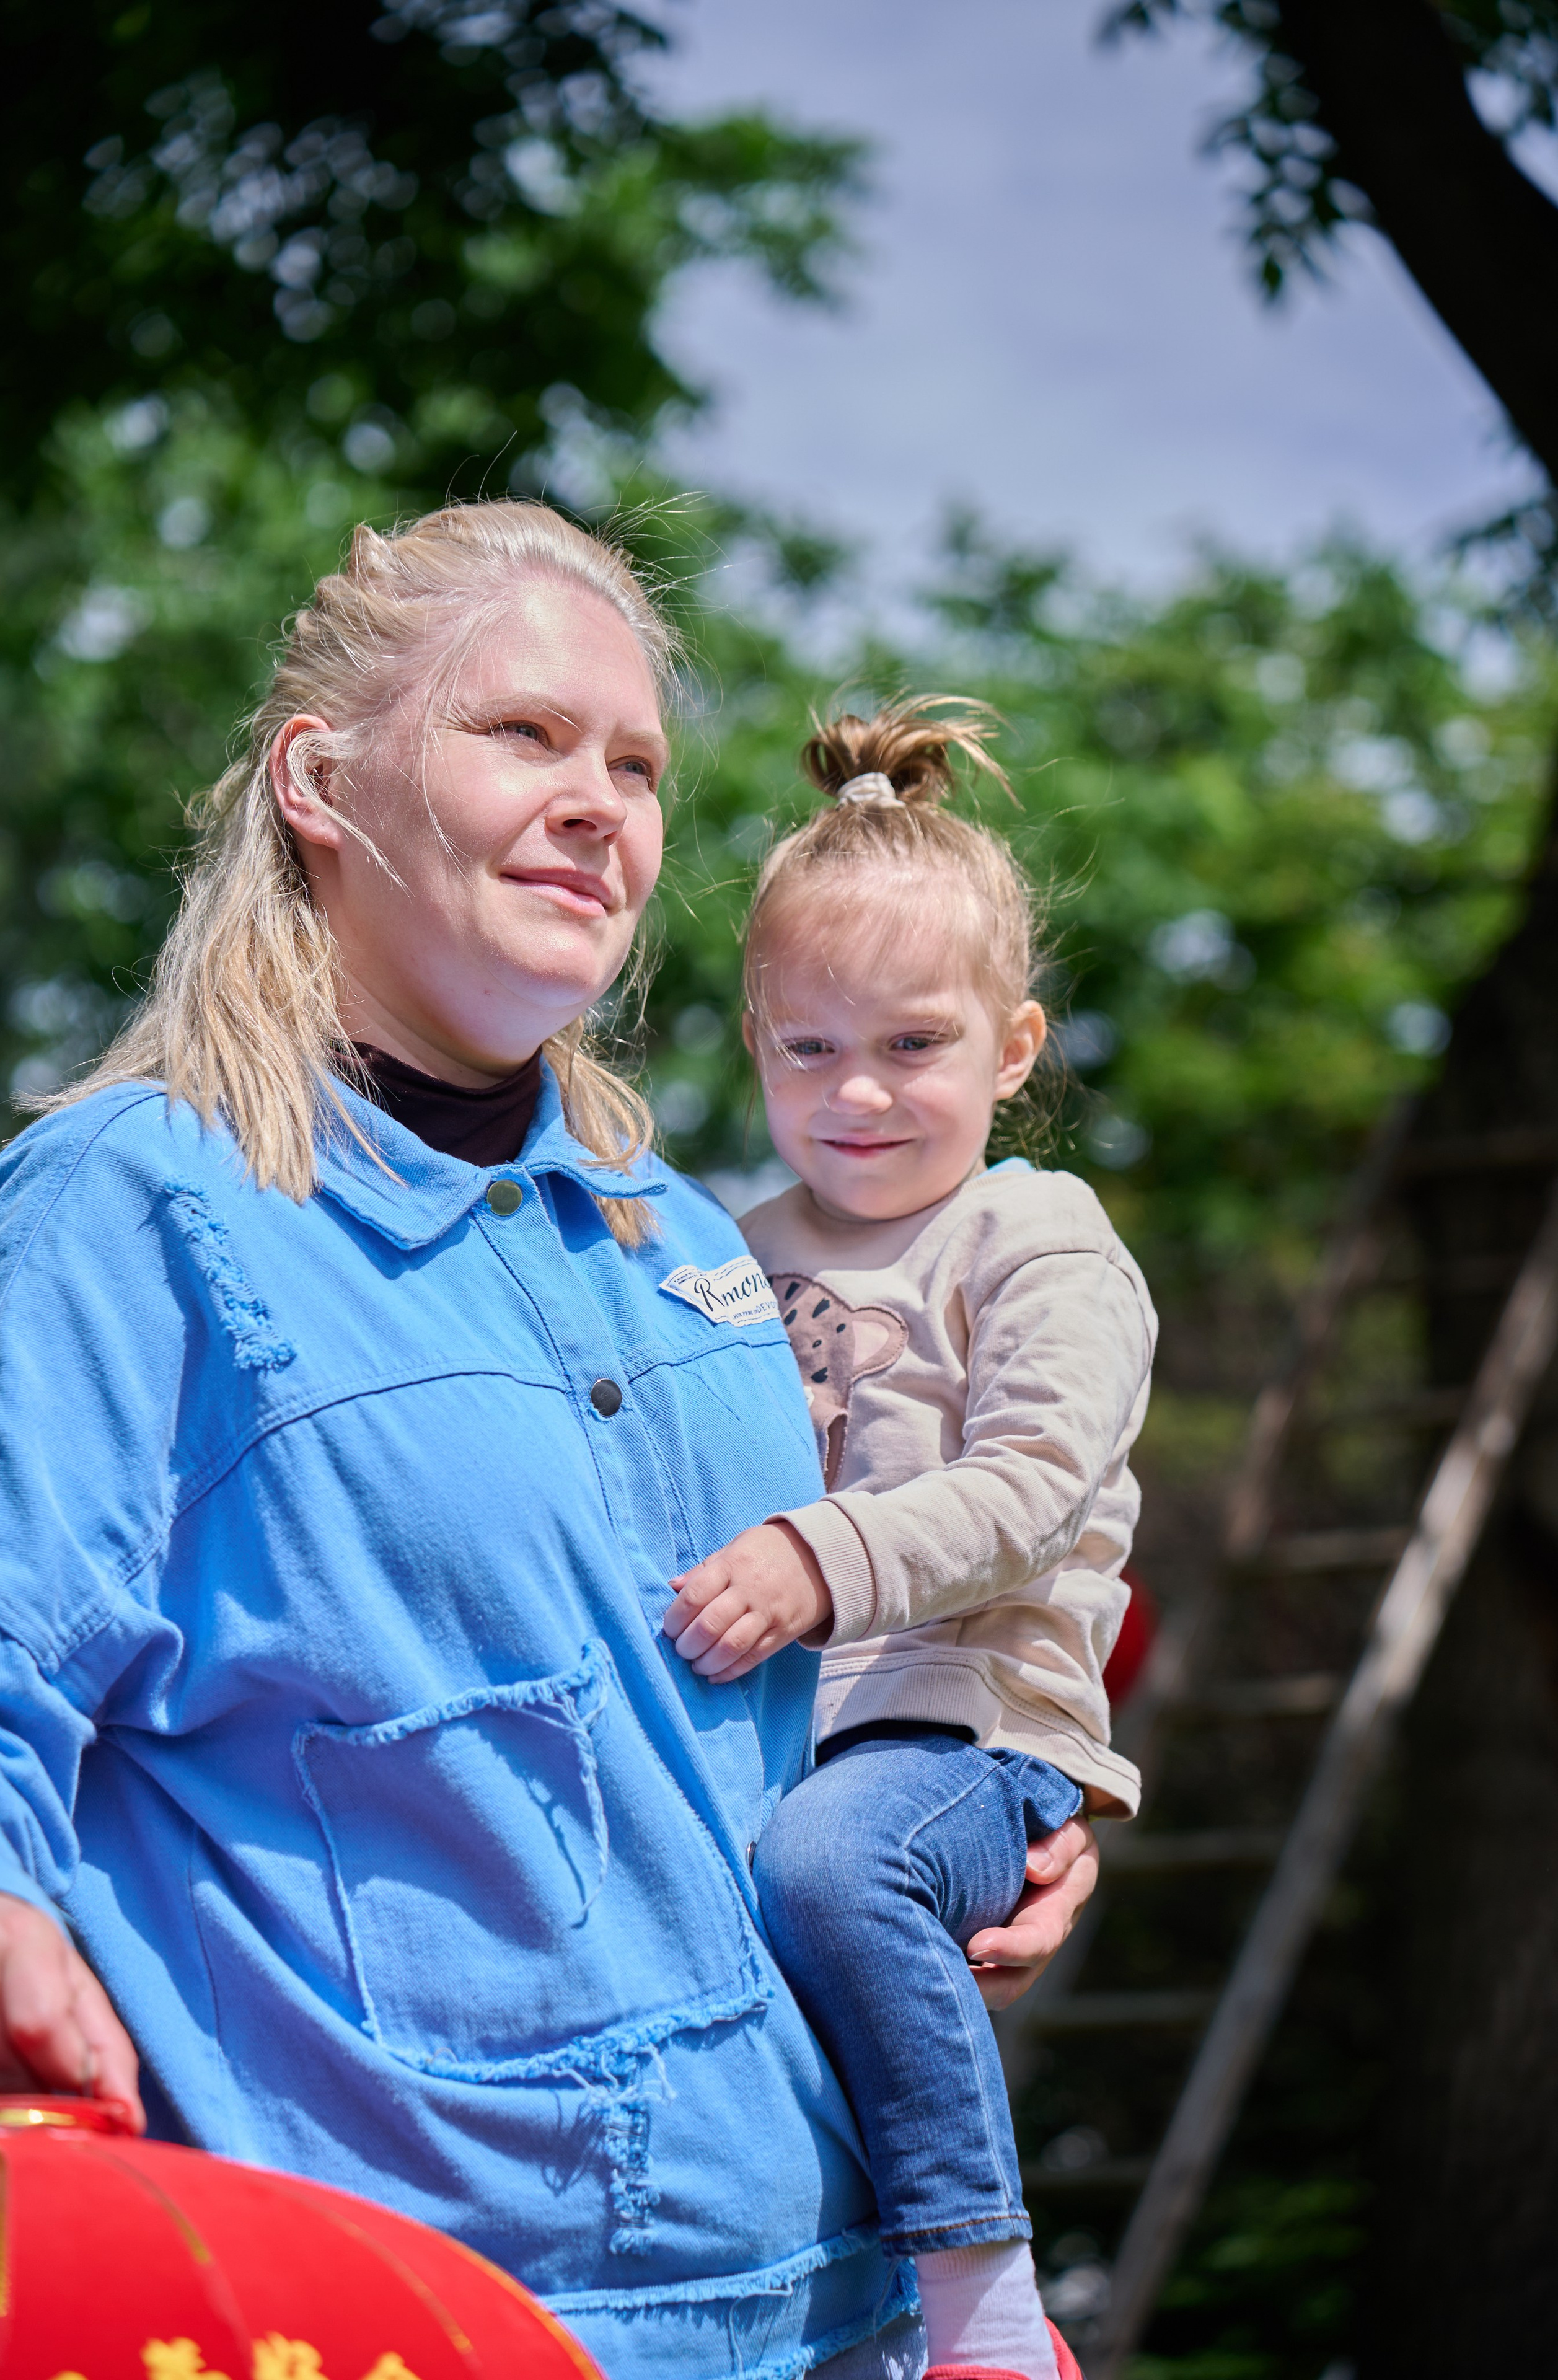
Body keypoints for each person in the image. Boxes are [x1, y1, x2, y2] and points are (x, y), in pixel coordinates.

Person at [0, 516, 1098, 2380]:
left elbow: (805, 1687)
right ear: (322, 785)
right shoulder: (130, 1207)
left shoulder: (697, 1241)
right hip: (434, 2318)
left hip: (855, 2302)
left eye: (638, 766)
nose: (601, 805)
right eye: (529, 738)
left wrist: (988, 1802)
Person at [662, 699, 1155, 2380]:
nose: (858, 1092)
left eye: (914, 1046)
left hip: (961, 1723)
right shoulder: (722, 1251)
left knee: (830, 1862)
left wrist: (814, 1554)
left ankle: (987, 2300)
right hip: (797, 1729)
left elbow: (1037, 1484)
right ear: (755, 1042)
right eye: (809, 1050)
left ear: (1012, 1048)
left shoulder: (1036, 1232)